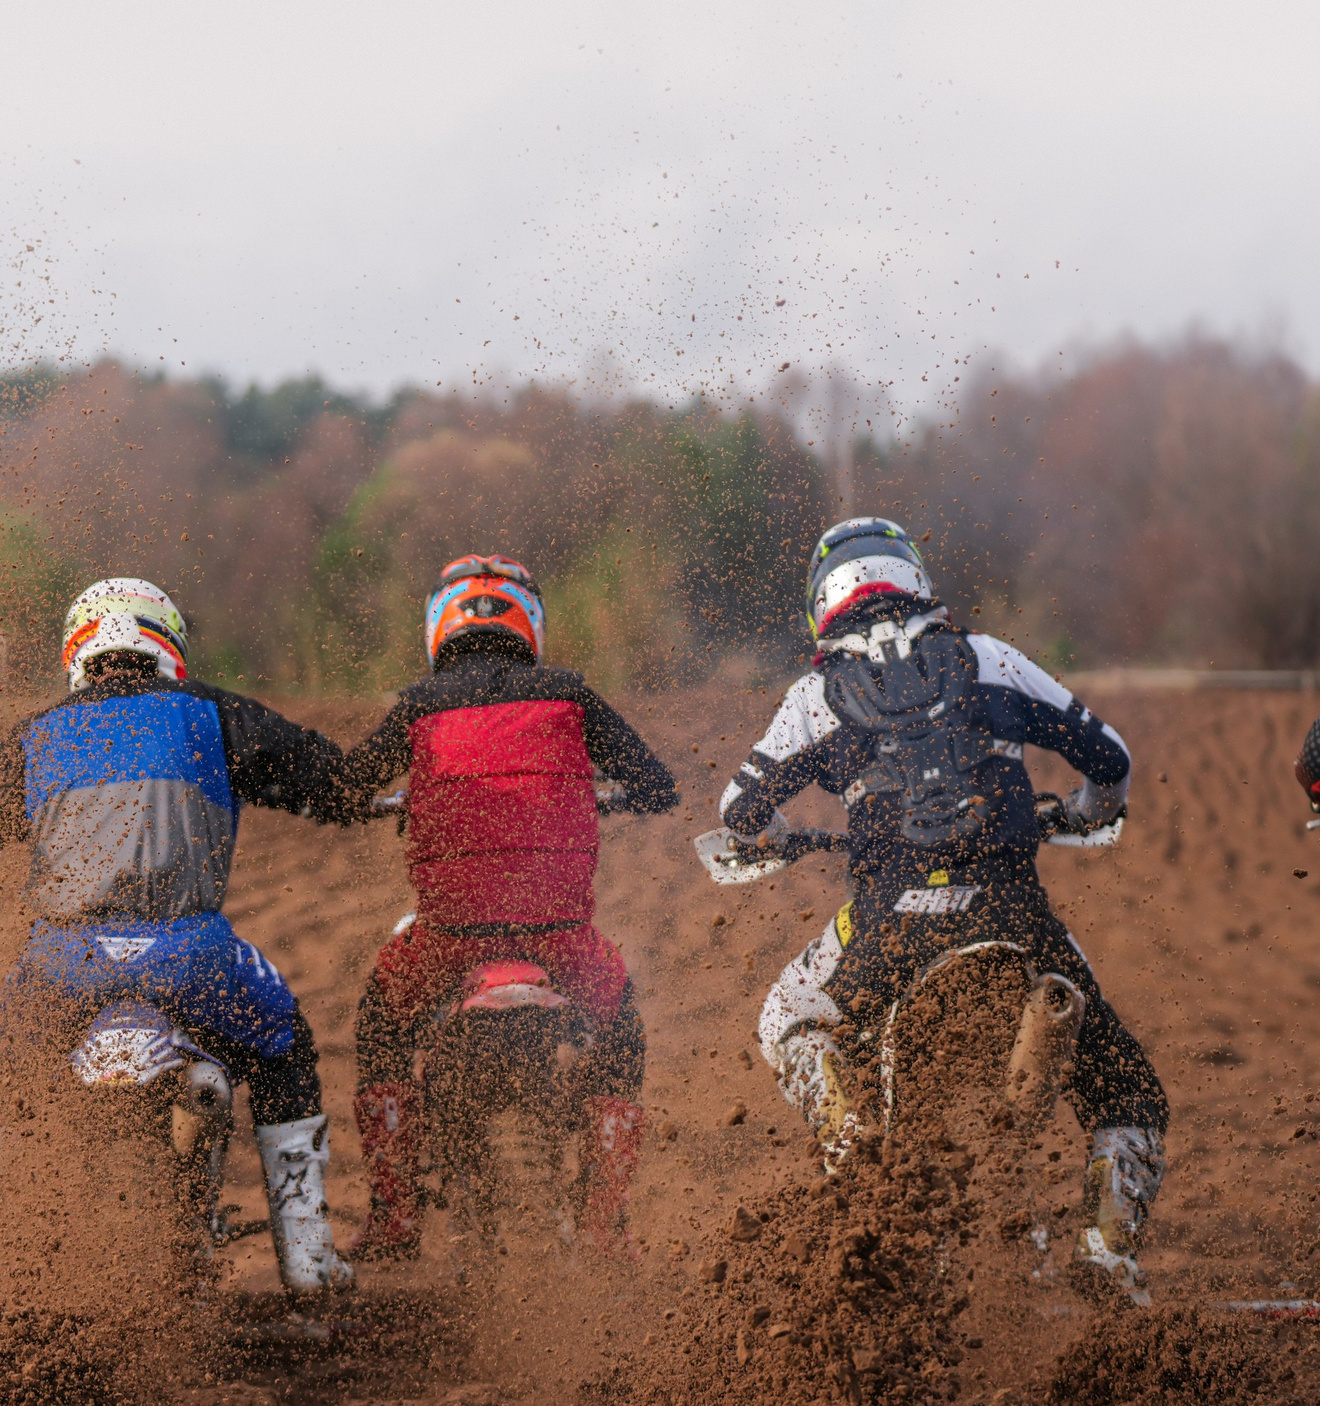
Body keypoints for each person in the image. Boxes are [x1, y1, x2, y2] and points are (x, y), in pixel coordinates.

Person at [720, 516, 1165, 1307]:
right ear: (915, 578)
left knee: (787, 1013)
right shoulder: (989, 656)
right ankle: (1106, 1252)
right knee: (1129, 1094)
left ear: (823, 604)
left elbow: (739, 810)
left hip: (887, 928)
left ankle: (849, 1130)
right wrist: (1085, 812)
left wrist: (781, 838)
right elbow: (1112, 759)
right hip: (1015, 916)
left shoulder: (815, 696)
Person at [0, 577, 359, 1295]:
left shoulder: (40, 733)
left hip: (63, 962)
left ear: (79, 653)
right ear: (169, 646)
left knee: (3, 1079)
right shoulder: (212, 713)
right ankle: (308, 1260)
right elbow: (332, 780)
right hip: (192, 955)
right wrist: (349, 800)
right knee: (285, 1044)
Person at [333, 556, 677, 1260]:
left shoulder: (418, 704)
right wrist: (605, 797)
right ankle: (606, 1225)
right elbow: (656, 784)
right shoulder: (571, 695)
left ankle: (396, 1218)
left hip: (449, 937)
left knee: (381, 1024)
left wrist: (370, 801)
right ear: (530, 623)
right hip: (560, 938)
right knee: (622, 1031)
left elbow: (346, 786)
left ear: (440, 626)